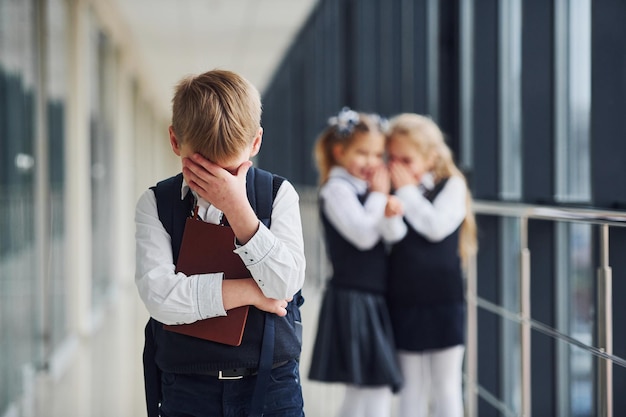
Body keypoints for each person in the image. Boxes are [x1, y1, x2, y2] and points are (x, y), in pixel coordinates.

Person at [134, 69, 306, 417]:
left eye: (228, 171)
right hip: (188, 386)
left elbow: (287, 282)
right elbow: (162, 298)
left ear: (255, 143)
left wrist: (237, 208)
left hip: (271, 382)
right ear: (175, 141)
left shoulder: (277, 195)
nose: (216, 184)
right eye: (200, 168)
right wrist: (253, 293)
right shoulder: (156, 202)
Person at [307, 107, 404, 417]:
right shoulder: (336, 190)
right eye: (363, 153)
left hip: (369, 296)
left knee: (365, 388)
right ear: (339, 151)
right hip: (353, 296)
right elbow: (363, 236)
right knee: (371, 386)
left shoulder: (363, 190)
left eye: (378, 155)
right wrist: (379, 196)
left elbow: (389, 236)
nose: (371, 163)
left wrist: (386, 209)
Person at [385, 113, 478, 417]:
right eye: (392, 159)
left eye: (406, 160)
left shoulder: (453, 186)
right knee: (409, 386)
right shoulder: (391, 190)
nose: (397, 168)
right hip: (403, 297)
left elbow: (435, 225)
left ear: (431, 158)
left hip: (442, 298)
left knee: (446, 385)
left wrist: (407, 192)